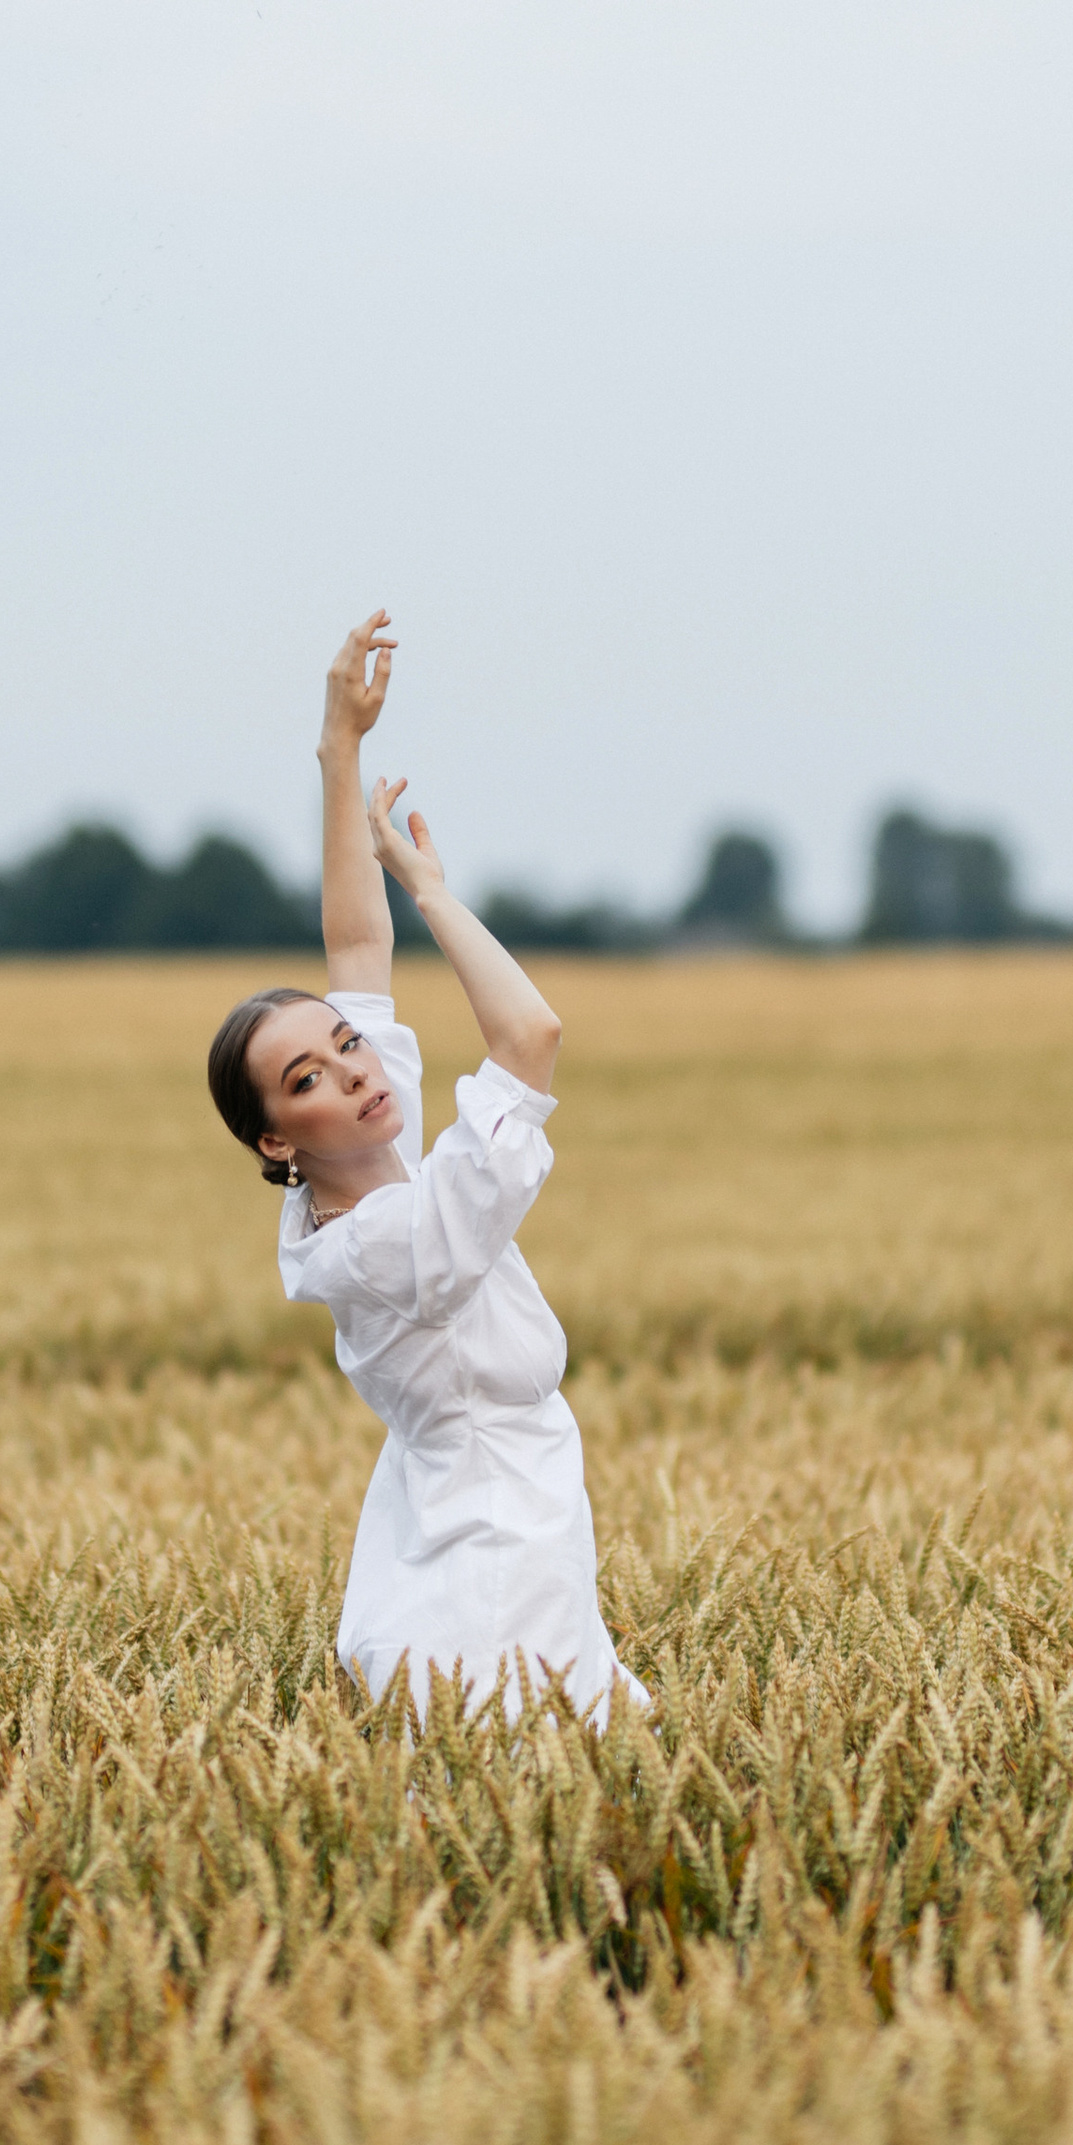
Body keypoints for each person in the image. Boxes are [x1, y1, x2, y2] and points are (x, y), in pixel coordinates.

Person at [205, 612, 649, 1726]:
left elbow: (354, 954)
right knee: (531, 1752)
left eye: (346, 1048)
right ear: (276, 1140)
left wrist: (338, 748)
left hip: (455, 1504)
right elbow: (530, 1039)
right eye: (305, 1080)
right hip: (494, 1527)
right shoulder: (407, 1235)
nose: (351, 1073)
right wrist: (435, 891)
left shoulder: (362, 1175)